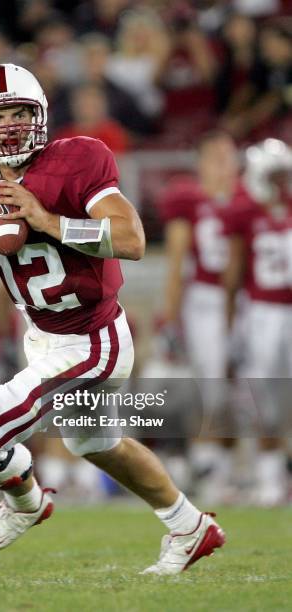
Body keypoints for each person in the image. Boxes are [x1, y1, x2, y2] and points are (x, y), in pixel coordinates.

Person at [0, 63, 225, 575]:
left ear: (40, 115)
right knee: (97, 443)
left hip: (93, 338)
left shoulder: (79, 158)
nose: (8, 126)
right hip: (42, 335)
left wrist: (45, 219)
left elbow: (132, 240)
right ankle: (191, 526)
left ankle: (25, 504)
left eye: (19, 113)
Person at [157, 131, 241, 502]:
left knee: (250, 388)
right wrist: (170, 317)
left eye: (230, 157)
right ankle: (208, 467)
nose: (226, 166)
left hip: (249, 301)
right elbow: (176, 265)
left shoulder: (249, 199)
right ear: (202, 163)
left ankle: (231, 466)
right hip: (205, 299)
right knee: (212, 387)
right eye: (217, 158)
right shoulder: (189, 199)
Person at [223, 138, 292, 506]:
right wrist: (231, 320)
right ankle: (268, 476)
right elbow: (234, 272)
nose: (282, 182)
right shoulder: (245, 211)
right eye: (276, 174)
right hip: (263, 311)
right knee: (266, 396)